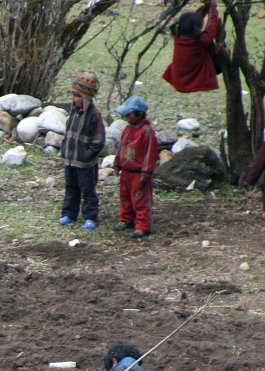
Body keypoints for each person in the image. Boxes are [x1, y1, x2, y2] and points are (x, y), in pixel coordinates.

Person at [59, 72, 106, 230]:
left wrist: (87, 155)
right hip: (70, 160)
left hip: (85, 163)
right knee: (71, 188)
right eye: (74, 95)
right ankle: (69, 214)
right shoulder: (73, 112)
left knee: (87, 190)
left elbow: (99, 141)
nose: (76, 99)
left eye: (79, 96)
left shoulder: (94, 115)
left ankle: (90, 216)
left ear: (87, 97)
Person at [112, 96, 160, 238]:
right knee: (125, 196)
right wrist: (117, 164)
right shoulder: (128, 129)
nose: (126, 118)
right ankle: (126, 218)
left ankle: (142, 225)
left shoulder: (147, 132)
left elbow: (151, 153)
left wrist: (147, 172)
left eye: (129, 115)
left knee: (140, 199)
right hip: (126, 170)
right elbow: (121, 147)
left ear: (139, 115)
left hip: (139, 173)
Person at [162, 0, 220, 93]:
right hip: (194, 82)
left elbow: (190, 22)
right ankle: (220, 59)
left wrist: (204, 8)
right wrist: (213, 11)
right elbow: (211, 29)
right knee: (211, 44)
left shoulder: (178, 36)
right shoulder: (201, 42)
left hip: (179, 82)